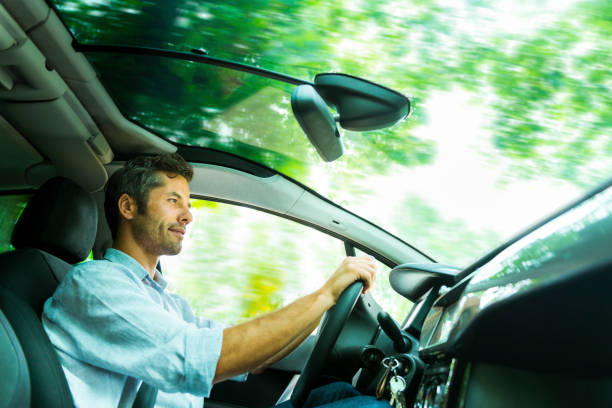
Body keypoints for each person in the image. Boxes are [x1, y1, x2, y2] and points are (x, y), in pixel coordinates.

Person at [43, 153, 390, 407]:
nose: (188, 215)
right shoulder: (95, 284)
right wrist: (325, 295)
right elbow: (201, 359)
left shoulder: (167, 303)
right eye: (173, 200)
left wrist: (324, 308)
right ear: (128, 207)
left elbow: (251, 356)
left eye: (189, 203)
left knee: (339, 395)